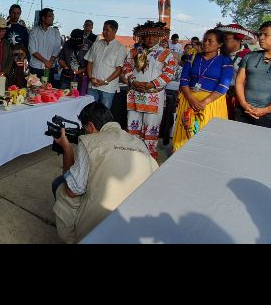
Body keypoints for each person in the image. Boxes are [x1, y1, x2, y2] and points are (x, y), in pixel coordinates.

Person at [51, 102, 158, 244]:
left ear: (91, 126)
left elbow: (72, 190)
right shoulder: (138, 142)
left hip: (103, 219)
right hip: (140, 216)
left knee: (59, 183)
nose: (85, 133)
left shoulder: (90, 141)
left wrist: (67, 149)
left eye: (85, 130)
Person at [120, 21, 177, 158]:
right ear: (142, 37)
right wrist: (133, 80)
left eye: (154, 36)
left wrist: (152, 84)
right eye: (147, 36)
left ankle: (148, 154)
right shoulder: (134, 51)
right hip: (136, 92)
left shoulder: (167, 54)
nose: (151, 39)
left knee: (151, 124)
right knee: (133, 121)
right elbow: (126, 66)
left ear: (159, 37)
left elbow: (169, 72)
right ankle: (133, 150)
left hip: (154, 95)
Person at [172, 29, 233, 151]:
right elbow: (184, 79)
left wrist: (204, 102)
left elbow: (224, 85)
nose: (206, 43)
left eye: (210, 41)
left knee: (205, 134)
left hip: (211, 102)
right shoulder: (192, 57)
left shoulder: (225, 60)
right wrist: (191, 99)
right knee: (185, 130)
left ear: (220, 44)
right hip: (188, 99)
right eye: (205, 40)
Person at [215, 23, 254, 120]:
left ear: (238, 40)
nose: (223, 42)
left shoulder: (248, 57)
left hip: (237, 99)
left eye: (226, 38)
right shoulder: (219, 55)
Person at [84, 20, 126, 108]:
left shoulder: (120, 48)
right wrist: (91, 77)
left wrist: (105, 81)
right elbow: (90, 62)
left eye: (107, 30)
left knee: (104, 114)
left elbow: (119, 69)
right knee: (89, 111)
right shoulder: (96, 44)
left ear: (115, 31)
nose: (104, 32)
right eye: (103, 30)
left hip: (107, 87)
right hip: (93, 85)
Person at [28, 8, 61, 79]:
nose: (53, 18)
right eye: (50, 16)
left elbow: (57, 48)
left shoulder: (55, 32)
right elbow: (32, 50)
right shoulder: (34, 31)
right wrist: (45, 61)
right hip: (35, 67)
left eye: (53, 16)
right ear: (43, 18)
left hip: (50, 67)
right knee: (34, 89)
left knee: (49, 89)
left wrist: (50, 62)